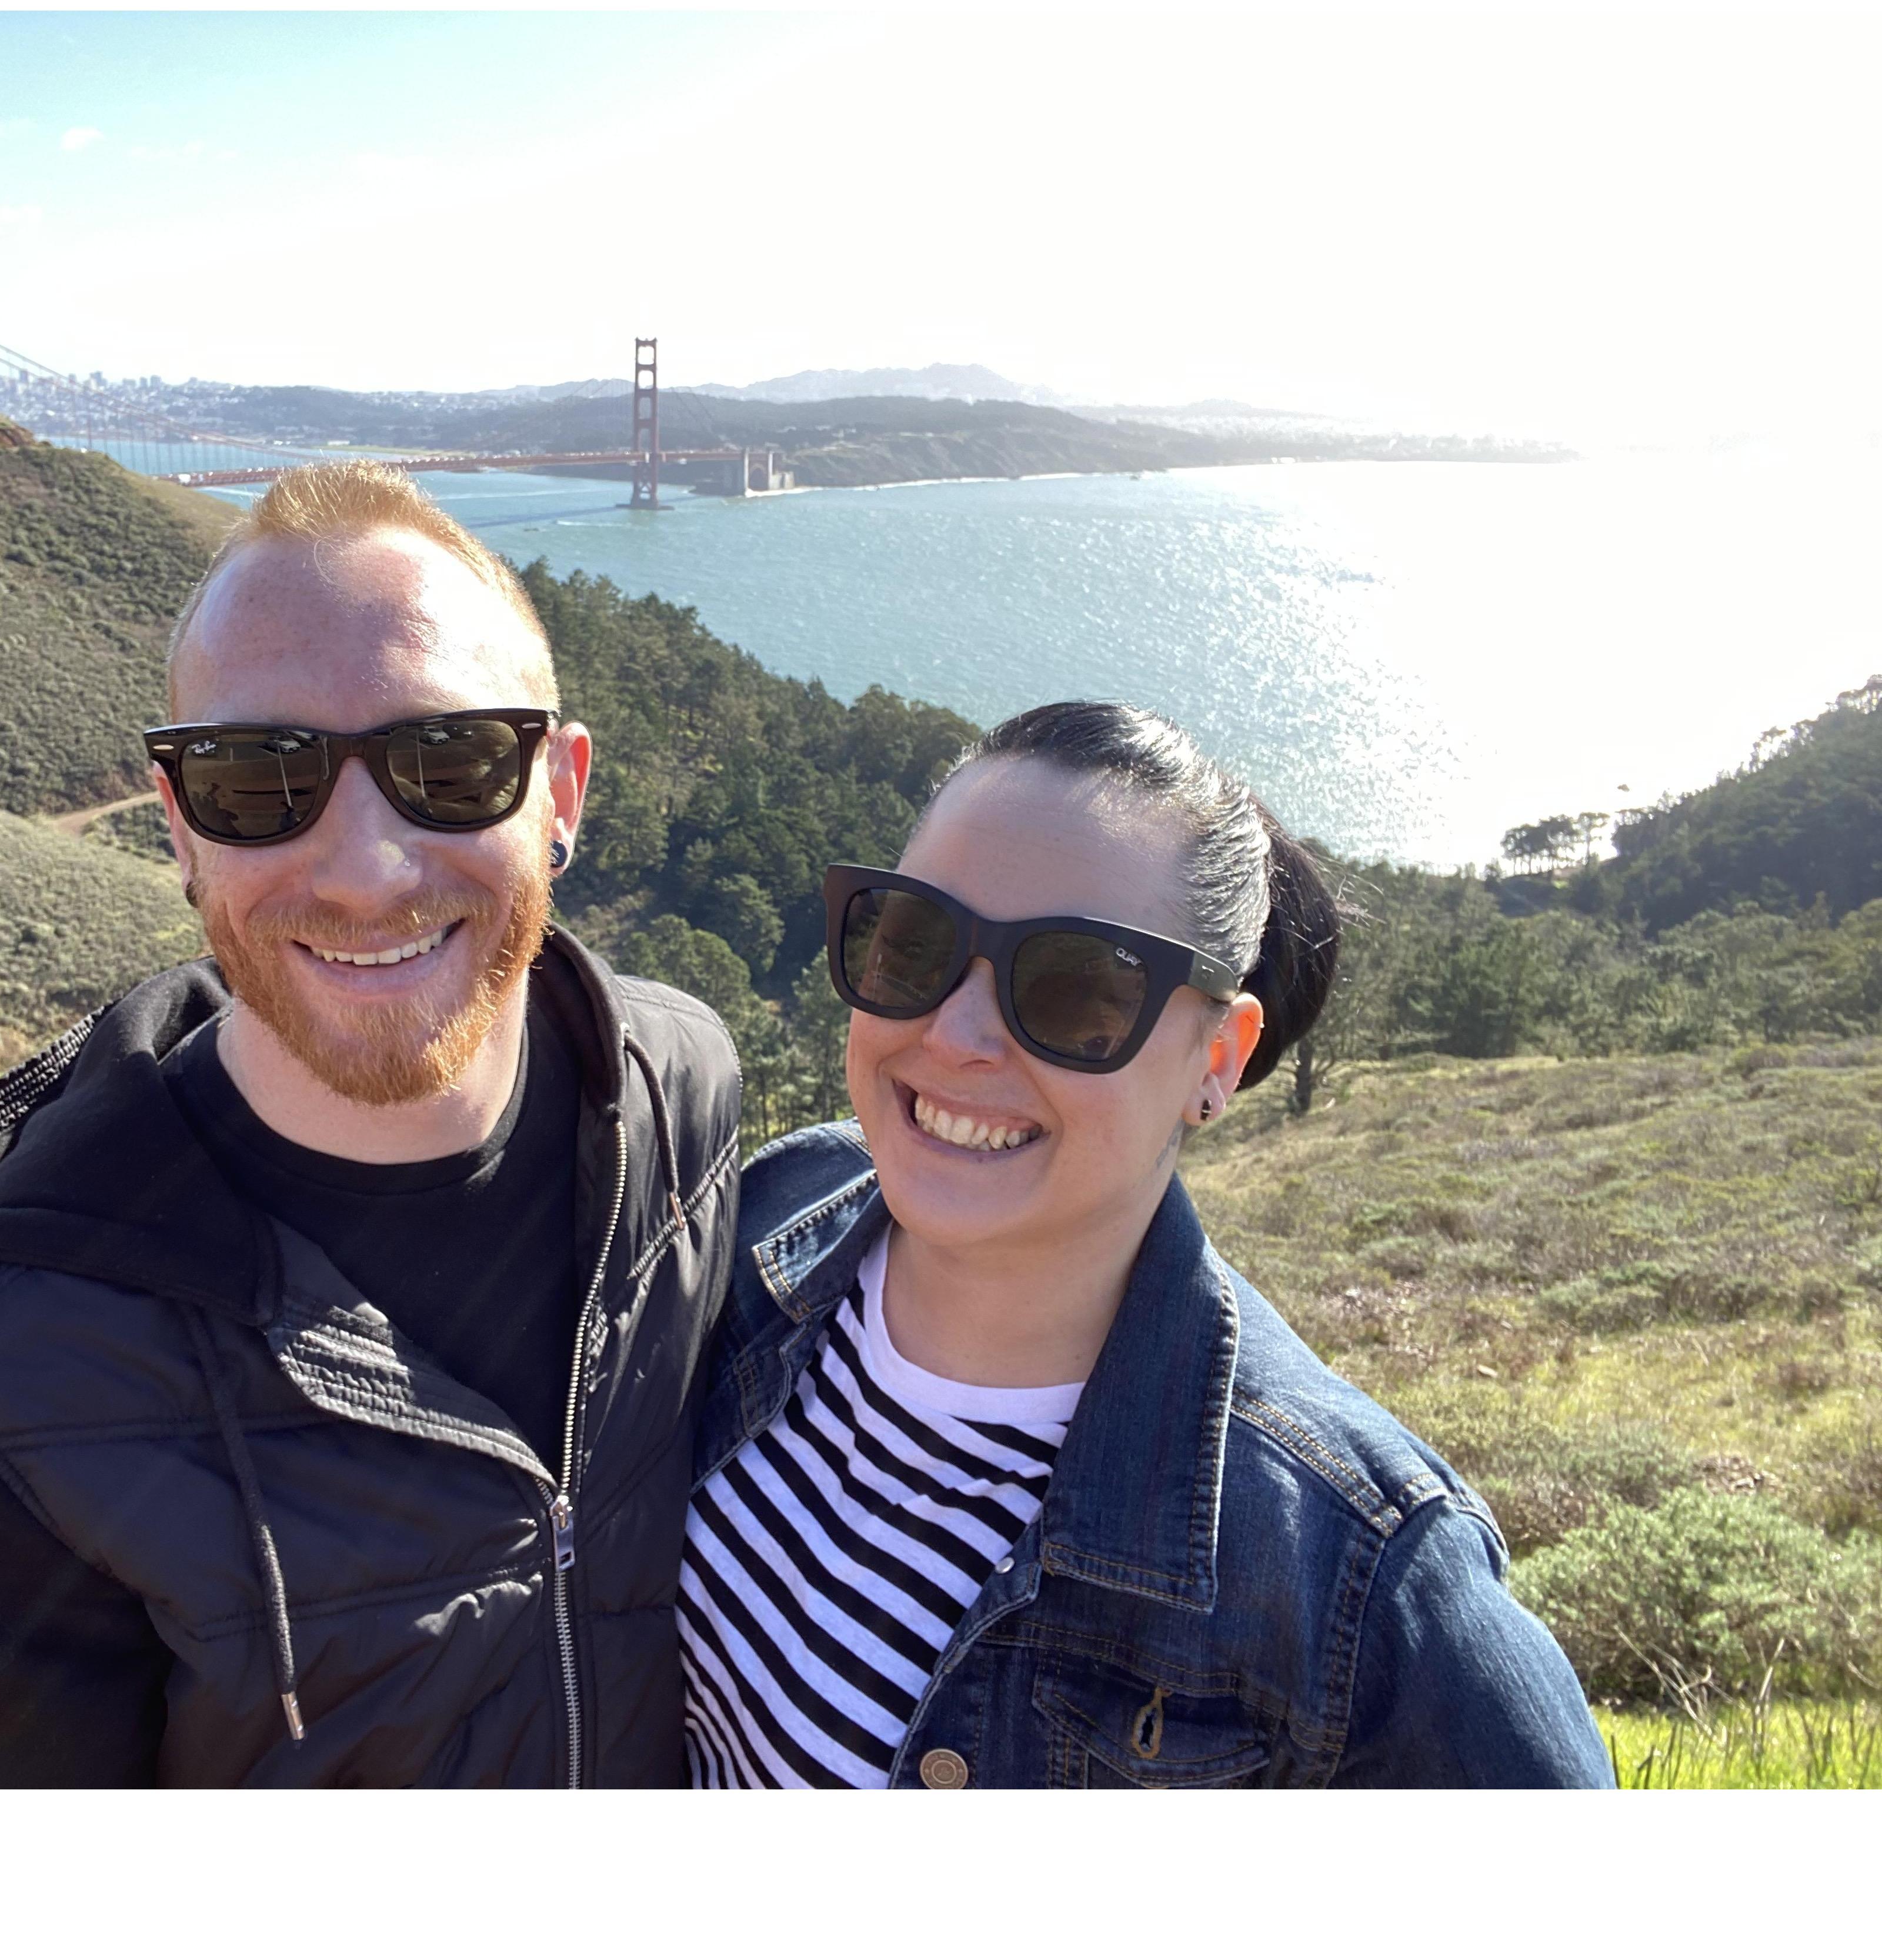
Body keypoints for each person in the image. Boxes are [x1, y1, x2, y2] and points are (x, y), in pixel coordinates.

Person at [0, 462, 741, 1786]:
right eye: (259, 779)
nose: (368, 869)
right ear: (181, 831)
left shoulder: (682, 1086)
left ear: (560, 791)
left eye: (450, 760)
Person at [680, 702, 1611, 1789]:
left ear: (1219, 1056)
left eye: (1078, 989)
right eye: (915, 942)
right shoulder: (780, 1210)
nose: (957, 1036)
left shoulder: (1348, 1574)